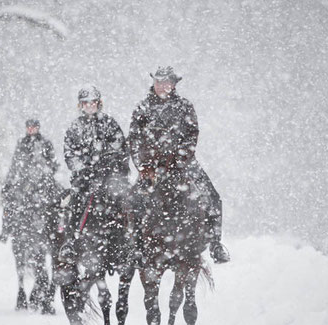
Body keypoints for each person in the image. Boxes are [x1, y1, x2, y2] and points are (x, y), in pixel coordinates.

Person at [128, 66, 230, 263]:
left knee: (212, 197)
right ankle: (135, 247)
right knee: (132, 201)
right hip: (151, 167)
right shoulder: (142, 108)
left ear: (174, 84)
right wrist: (144, 166)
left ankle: (216, 244)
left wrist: (181, 158)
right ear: (153, 83)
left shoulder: (185, 106)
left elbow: (192, 134)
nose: (162, 86)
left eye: (166, 82)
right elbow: (134, 140)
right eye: (158, 82)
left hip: (183, 164)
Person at [59, 85, 130, 264]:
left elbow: (120, 147)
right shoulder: (75, 128)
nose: (90, 106)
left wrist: (109, 165)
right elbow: (70, 156)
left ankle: (127, 242)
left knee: (125, 201)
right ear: (80, 105)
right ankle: (70, 242)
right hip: (85, 180)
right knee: (75, 202)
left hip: (109, 177)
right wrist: (85, 168)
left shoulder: (109, 123)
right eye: (86, 103)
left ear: (99, 104)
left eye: (93, 103)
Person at [0, 119, 59, 313]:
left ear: (38, 128)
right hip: (25, 182)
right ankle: (6, 228)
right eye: (29, 127)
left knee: (59, 200)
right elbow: (15, 166)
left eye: (34, 127)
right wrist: (11, 182)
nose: (31, 130)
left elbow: (52, 164)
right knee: (9, 202)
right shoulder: (21, 144)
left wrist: (44, 173)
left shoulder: (46, 143)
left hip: (43, 183)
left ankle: (59, 228)